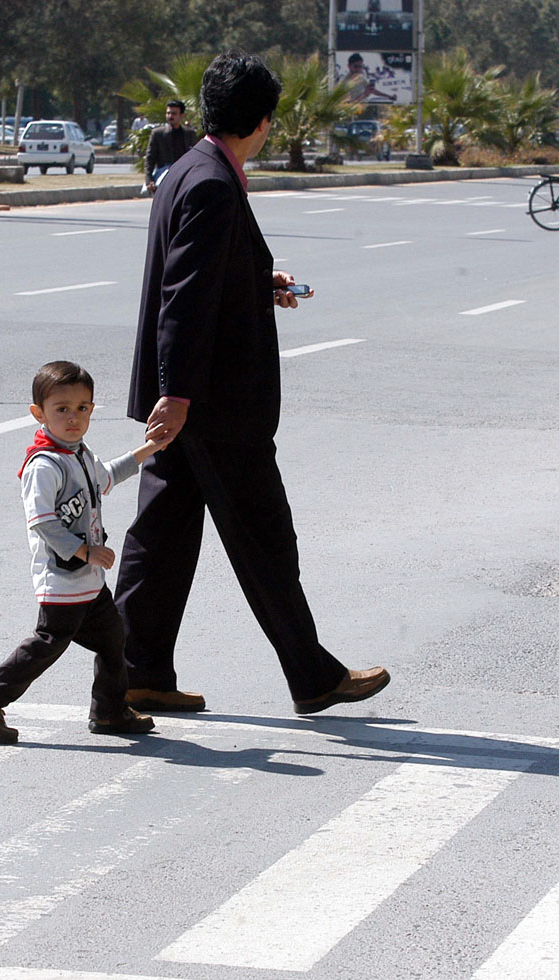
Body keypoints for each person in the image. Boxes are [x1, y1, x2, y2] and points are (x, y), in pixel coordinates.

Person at [113, 51, 390, 717]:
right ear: (263, 122)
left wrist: (257, 285)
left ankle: (135, 672)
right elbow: (182, 299)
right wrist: (176, 396)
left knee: (162, 536)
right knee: (265, 535)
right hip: (212, 405)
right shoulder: (212, 183)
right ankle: (313, 675)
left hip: (191, 403)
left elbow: (202, 280)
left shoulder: (189, 168)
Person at [0, 360, 173, 744]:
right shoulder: (44, 464)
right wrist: (85, 552)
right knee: (46, 644)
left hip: (88, 584)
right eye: (62, 409)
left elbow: (106, 476)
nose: (73, 417)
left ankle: (109, 711)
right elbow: (43, 523)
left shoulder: (79, 454)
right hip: (61, 579)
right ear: (38, 413)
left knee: (113, 639)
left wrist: (150, 449)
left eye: (82, 408)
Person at [143, 100, 197, 195]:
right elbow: (150, 158)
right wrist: (149, 180)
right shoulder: (158, 134)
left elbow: (195, 156)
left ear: (181, 115)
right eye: (168, 113)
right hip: (165, 179)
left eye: (174, 113)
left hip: (185, 179)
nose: (170, 116)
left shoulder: (189, 134)